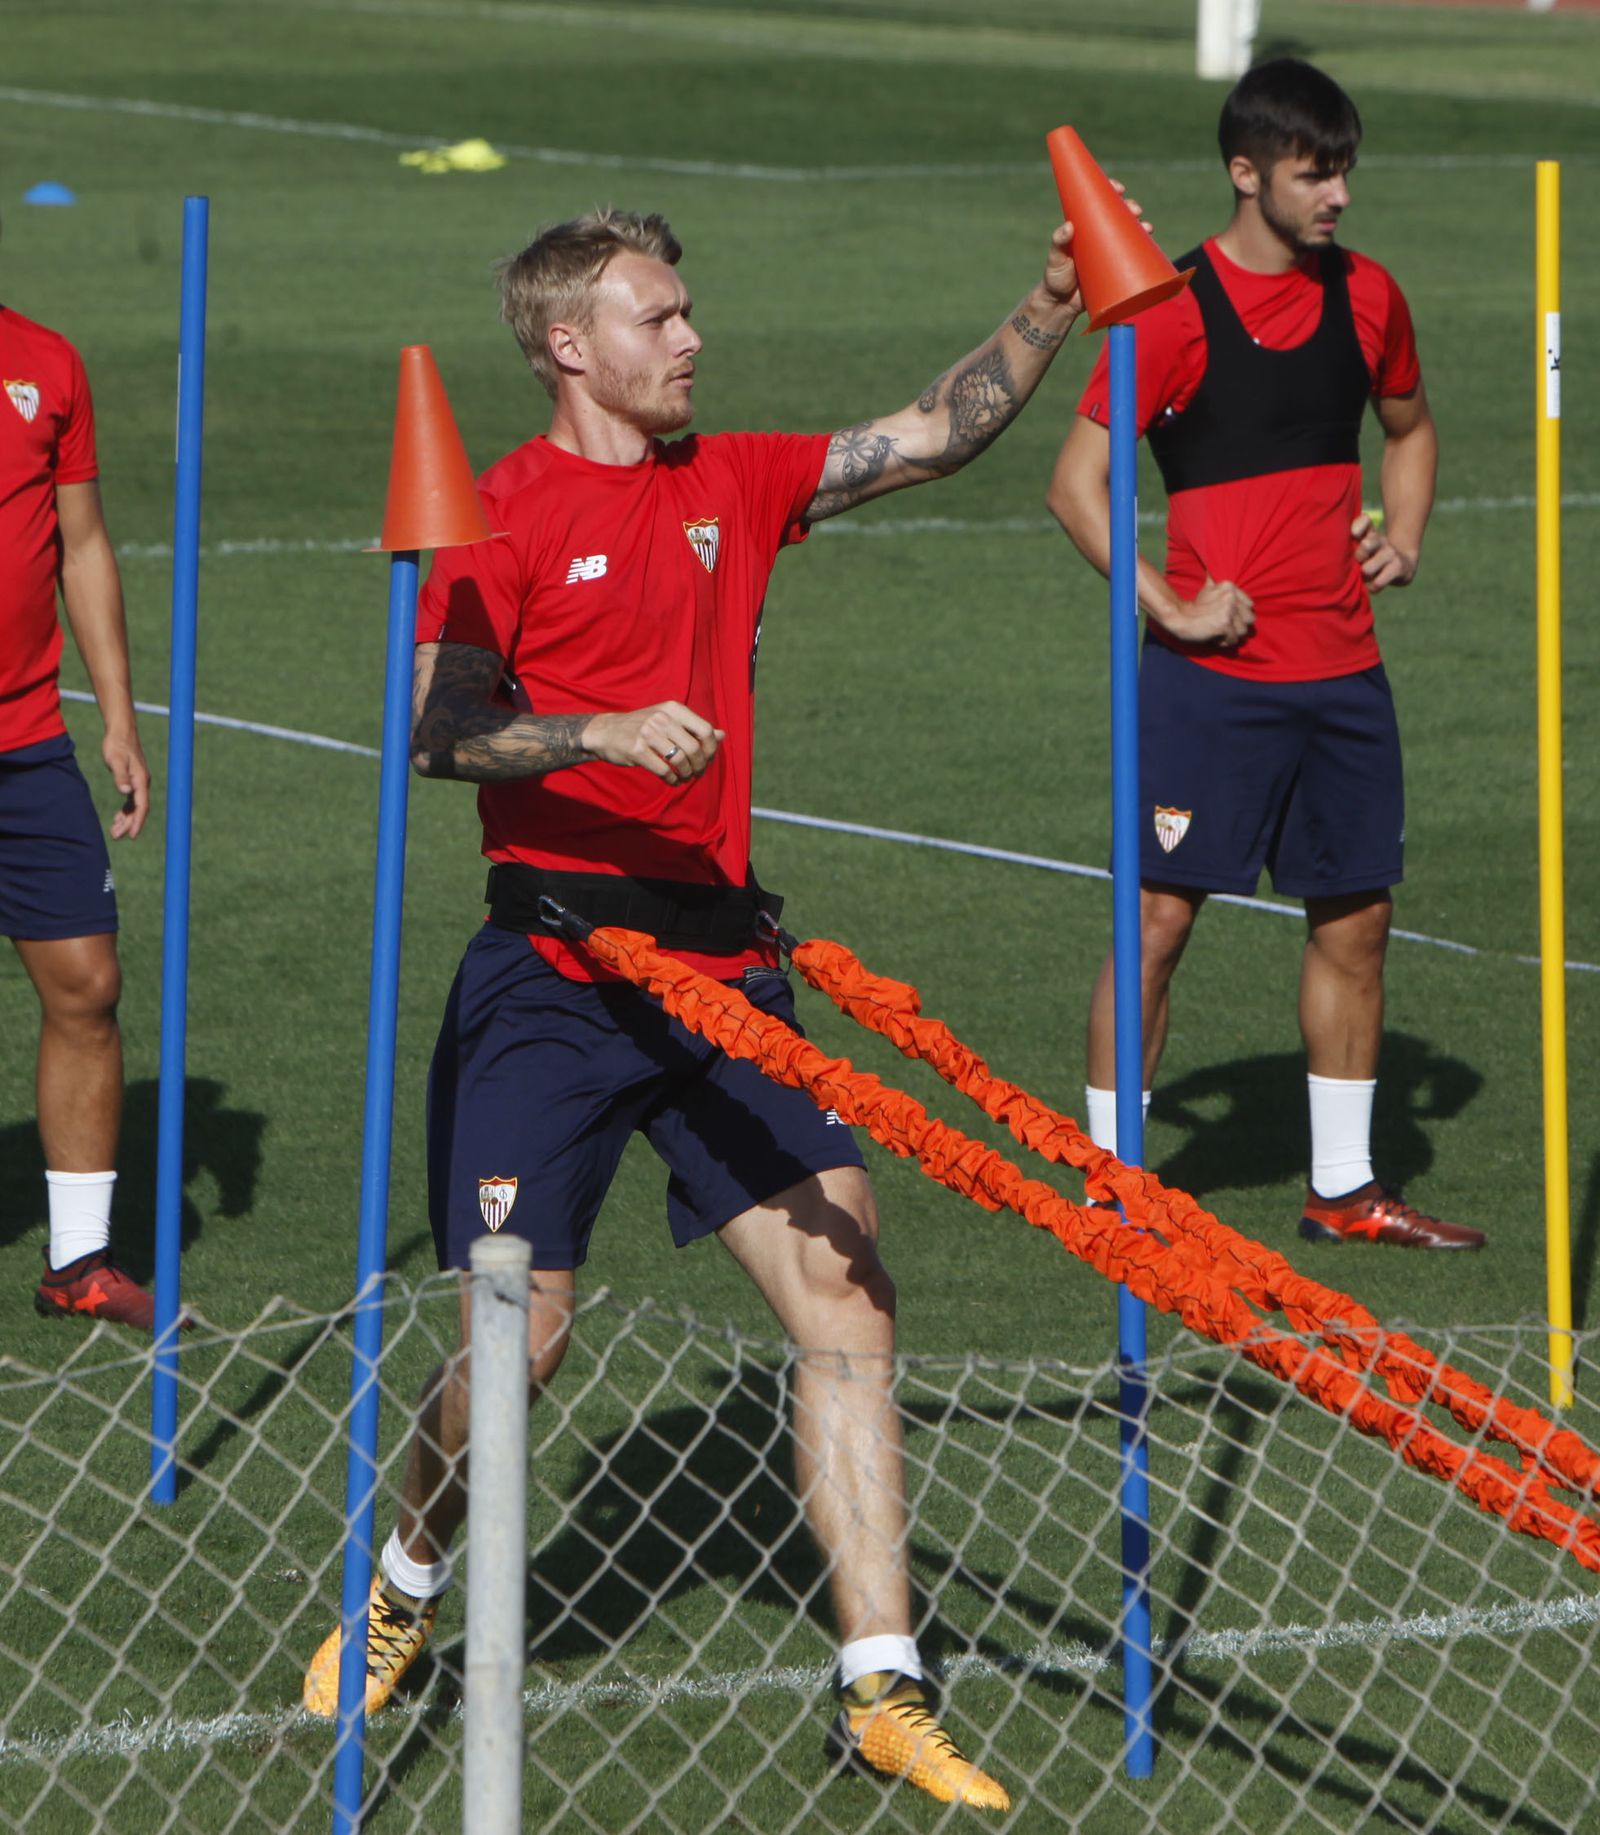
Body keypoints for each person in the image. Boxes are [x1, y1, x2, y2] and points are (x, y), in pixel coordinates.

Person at [302, 199, 1135, 1808]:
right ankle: (408, 1579)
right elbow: (440, 726)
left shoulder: (731, 479)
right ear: (569, 344)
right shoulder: (500, 509)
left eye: (687, 313)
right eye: (657, 318)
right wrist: (604, 731)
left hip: (725, 972)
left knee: (849, 1294)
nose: (690, 340)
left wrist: (1044, 308)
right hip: (551, 976)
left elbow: (926, 438)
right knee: (516, 1335)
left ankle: (882, 1685)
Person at [1047, 58, 1482, 1252]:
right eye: (1313, 173)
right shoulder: (1170, 308)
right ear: (1246, 173)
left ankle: (1343, 1191)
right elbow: (1077, 484)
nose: (1337, 195)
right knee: (1158, 924)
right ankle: (1109, 1186)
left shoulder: (1372, 297)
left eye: (1343, 171)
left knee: (1354, 923)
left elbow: (1410, 423)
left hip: (1342, 674)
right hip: (1212, 685)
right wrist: (1171, 608)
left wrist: (1404, 535)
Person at [1, 264, 157, 1328]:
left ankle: (79, 1260)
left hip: (25, 740)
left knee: (87, 983)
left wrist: (116, 716)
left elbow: (84, 542)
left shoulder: (46, 360)